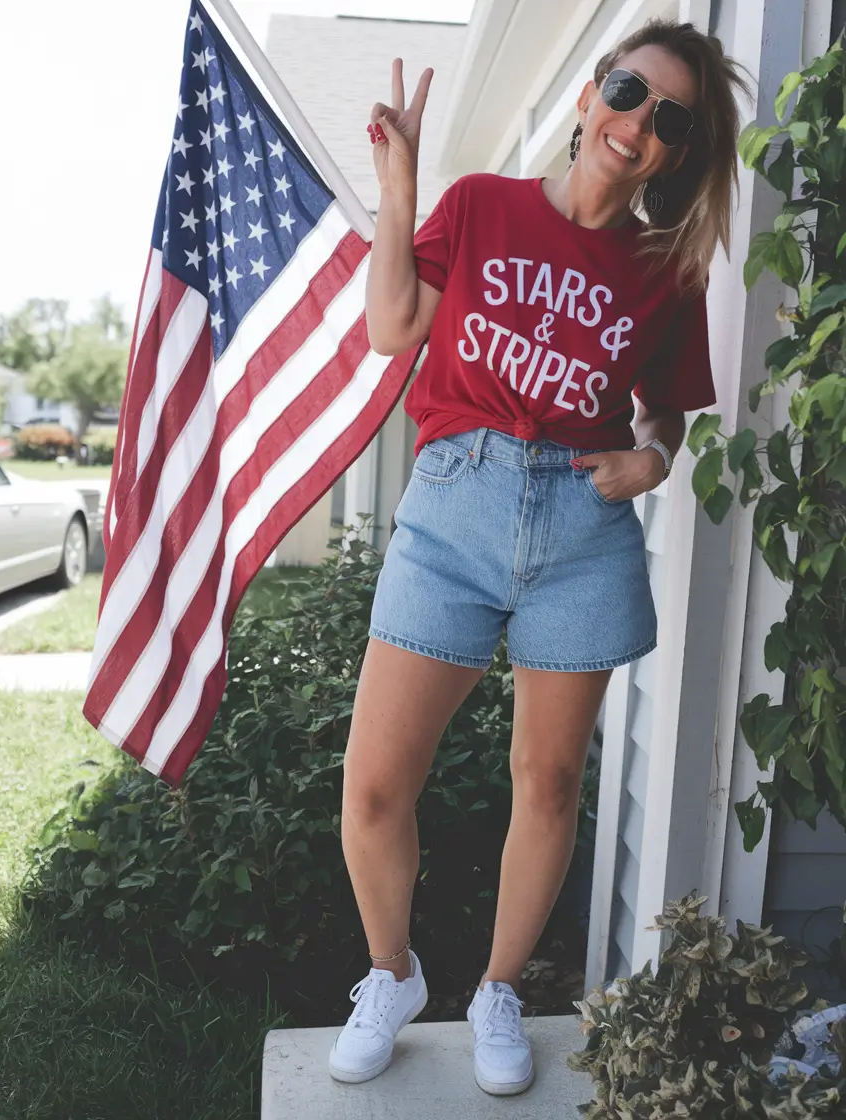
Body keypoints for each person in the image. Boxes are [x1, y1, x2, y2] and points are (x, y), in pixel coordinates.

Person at [327, 18, 749, 1096]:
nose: (636, 123)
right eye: (625, 90)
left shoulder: (666, 268)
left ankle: (501, 989)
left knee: (548, 779)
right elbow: (387, 329)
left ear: (676, 152)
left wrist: (649, 466)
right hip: (453, 505)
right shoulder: (479, 205)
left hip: (578, 529)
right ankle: (391, 973)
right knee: (375, 789)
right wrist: (401, 186)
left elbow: (667, 420)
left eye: (669, 119)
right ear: (584, 100)